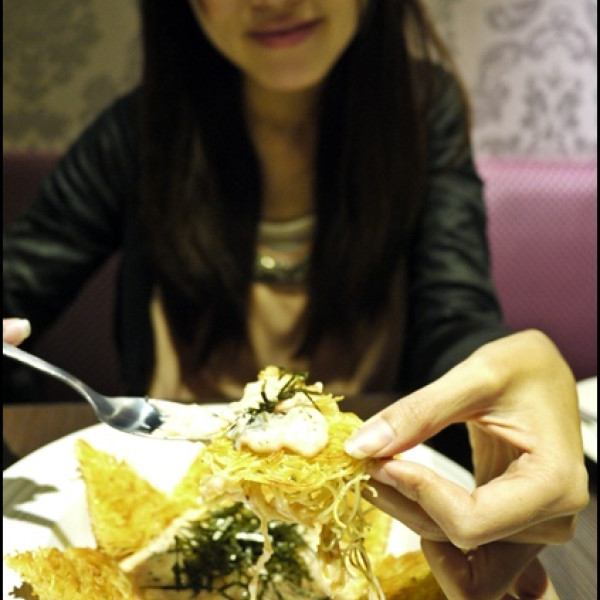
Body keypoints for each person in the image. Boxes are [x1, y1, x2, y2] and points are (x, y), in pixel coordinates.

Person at [3, 1, 588, 598]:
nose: (274, 1)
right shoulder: (142, 130)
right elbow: (17, 284)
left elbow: (456, 317)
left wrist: (502, 372)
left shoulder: (418, 115)